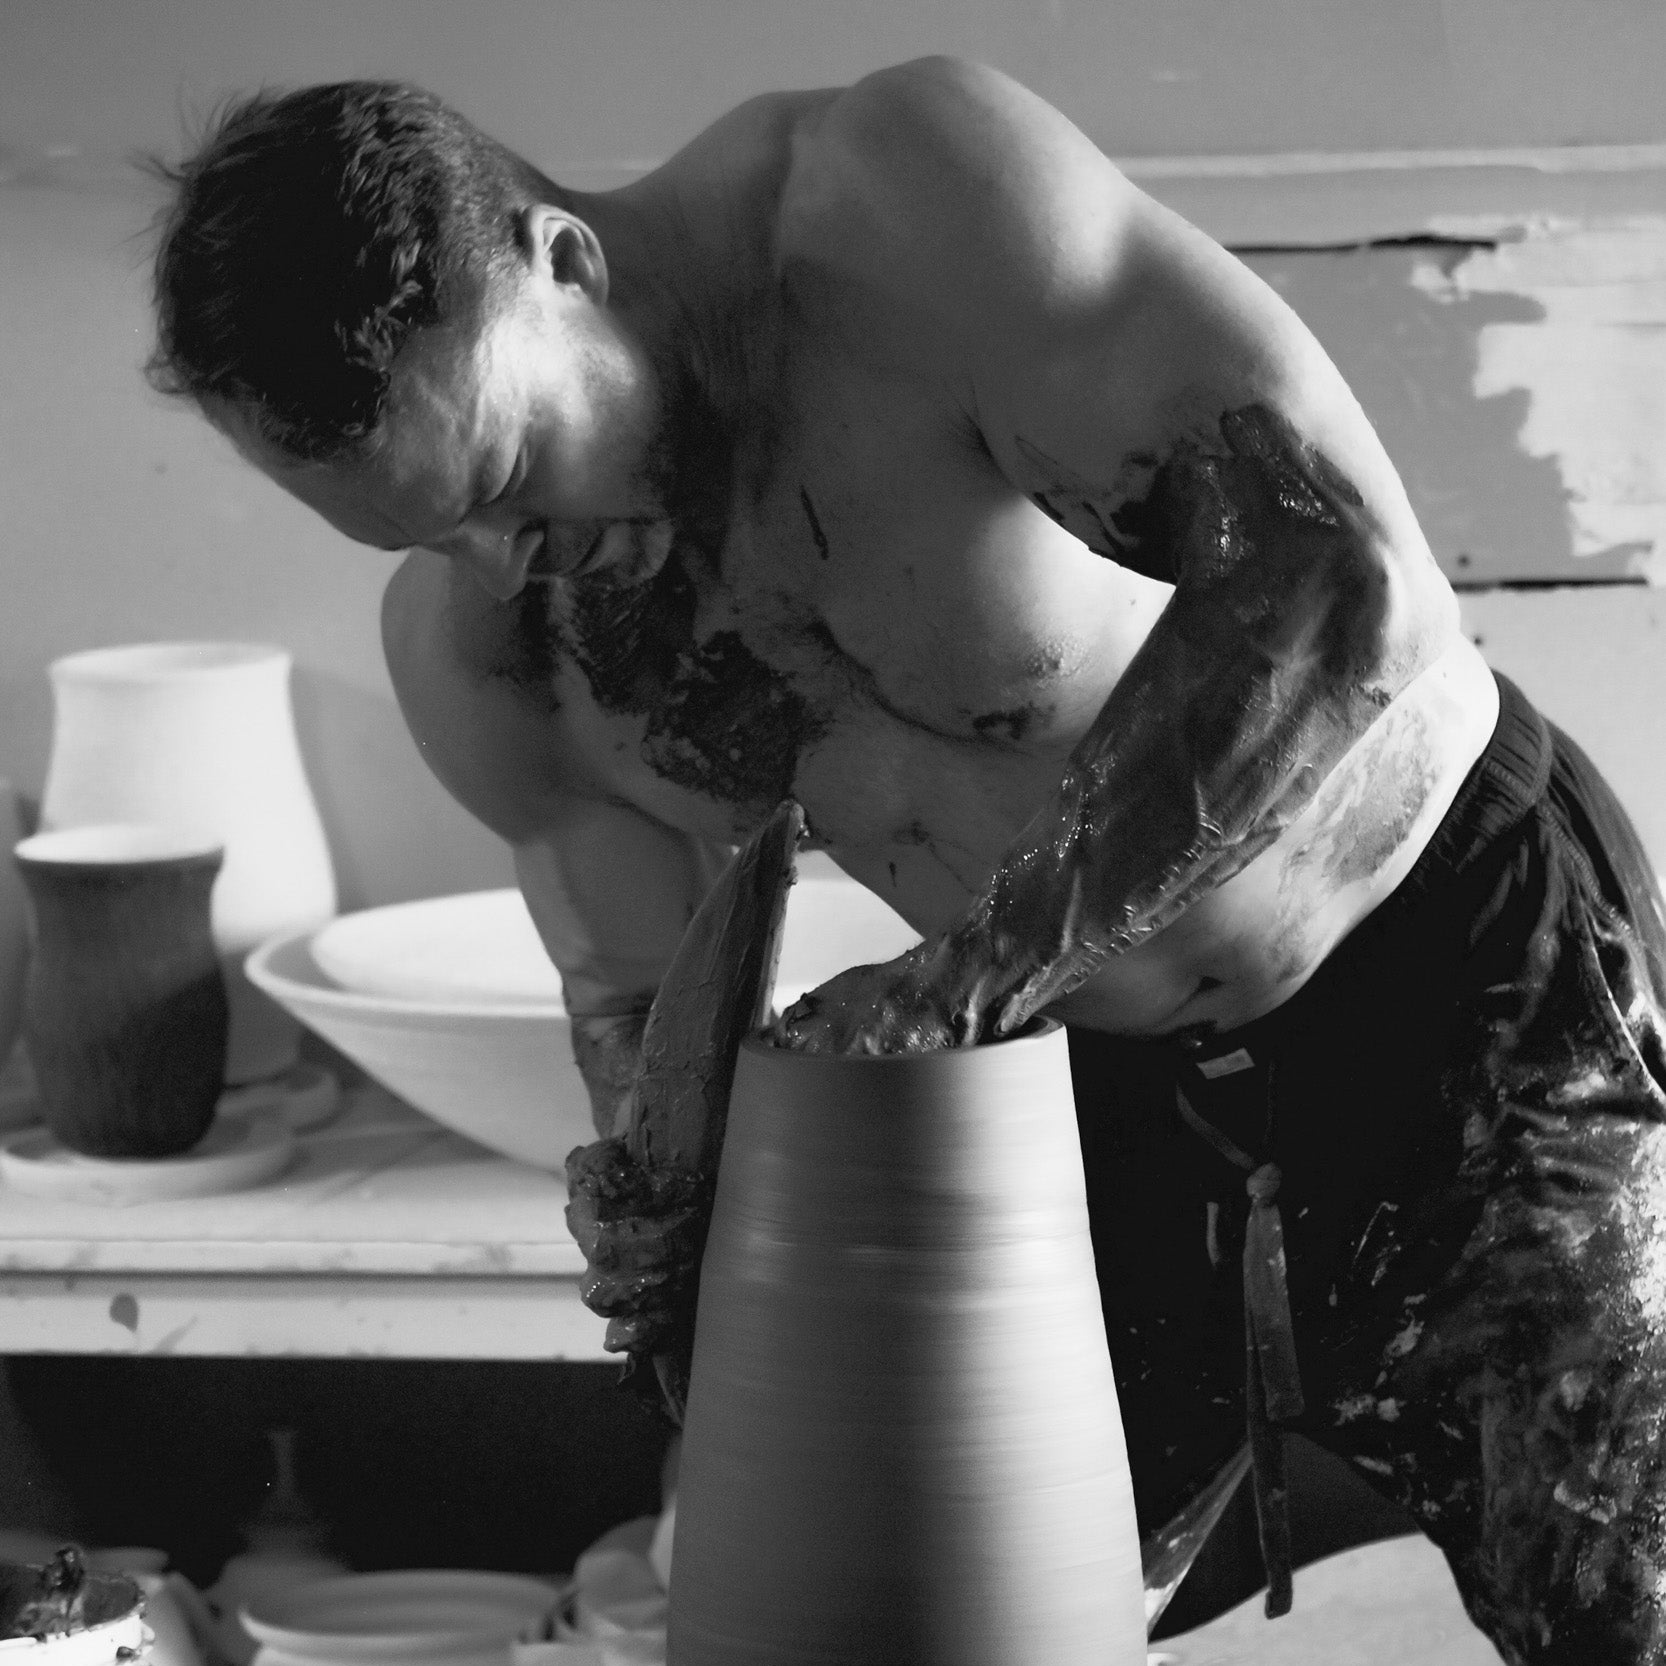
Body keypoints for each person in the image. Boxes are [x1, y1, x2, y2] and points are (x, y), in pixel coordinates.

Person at [146, 58, 1666, 1662]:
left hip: (1460, 963)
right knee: (955, 1610)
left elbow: (1339, 583)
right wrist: (665, 1225)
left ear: (565, 264)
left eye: (506, 481)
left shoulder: (901, 210)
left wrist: (974, 973)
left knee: (1608, 1611)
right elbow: (640, 1002)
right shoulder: (501, 658)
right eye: (420, 536)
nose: (498, 563)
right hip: (1105, 1088)